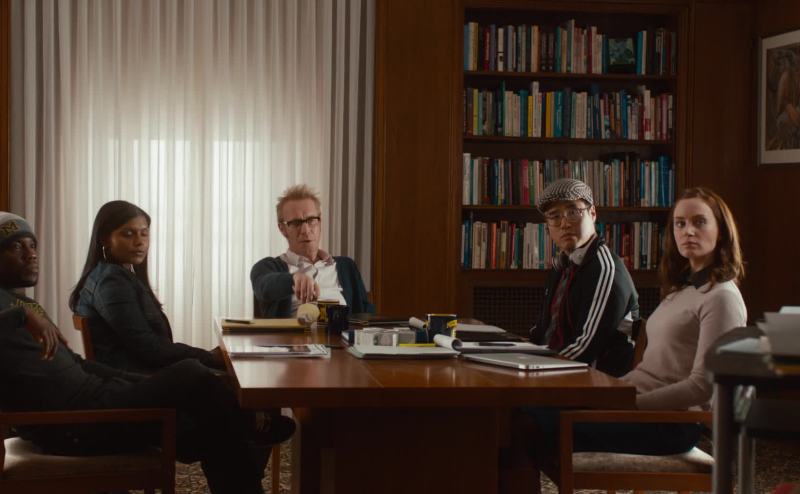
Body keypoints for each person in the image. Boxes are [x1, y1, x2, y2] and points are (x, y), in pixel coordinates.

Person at [0, 211, 268, 494]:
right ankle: (247, 425)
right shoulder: (17, 310)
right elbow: (147, 346)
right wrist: (22, 316)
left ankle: (233, 430)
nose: (31, 254)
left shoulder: (19, 302)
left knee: (214, 425)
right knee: (197, 383)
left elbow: (77, 363)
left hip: (96, 403)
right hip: (73, 425)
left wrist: (136, 383)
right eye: (16, 246)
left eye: (32, 245)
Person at [520, 187, 747, 458]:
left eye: (699, 222)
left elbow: (702, 387)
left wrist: (627, 404)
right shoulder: (682, 289)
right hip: (633, 401)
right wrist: (611, 397)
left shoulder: (722, 297)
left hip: (668, 422)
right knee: (519, 412)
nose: (688, 231)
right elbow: (650, 372)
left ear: (721, 231)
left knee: (529, 422)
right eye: (680, 223)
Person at [68, 200, 223, 374]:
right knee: (222, 379)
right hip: (132, 380)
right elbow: (149, 348)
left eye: (144, 234)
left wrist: (208, 357)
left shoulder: (117, 275)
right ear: (105, 238)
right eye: (128, 234)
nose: (139, 242)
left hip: (143, 373)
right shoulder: (111, 282)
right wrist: (209, 357)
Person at [530, 178, 639, 377]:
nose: (564, 224)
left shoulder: (605, 268)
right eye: (554, 216)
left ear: (593, 213)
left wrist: (535, 370)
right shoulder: (563, 265)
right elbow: (542, 330)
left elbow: (584, 347)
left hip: (595, 380)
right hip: (557, 371)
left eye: (573, 212)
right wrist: (520, 356)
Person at [251, 184, 374, 317]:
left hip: (341, 330)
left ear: (319, 222)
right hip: (293, 331)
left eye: (311, 220)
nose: (305, 230)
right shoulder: (267, 267)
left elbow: (366, 314)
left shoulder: (346, 266)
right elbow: (263, 287)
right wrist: (294, 279)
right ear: (283, 229)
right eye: (296, 223)